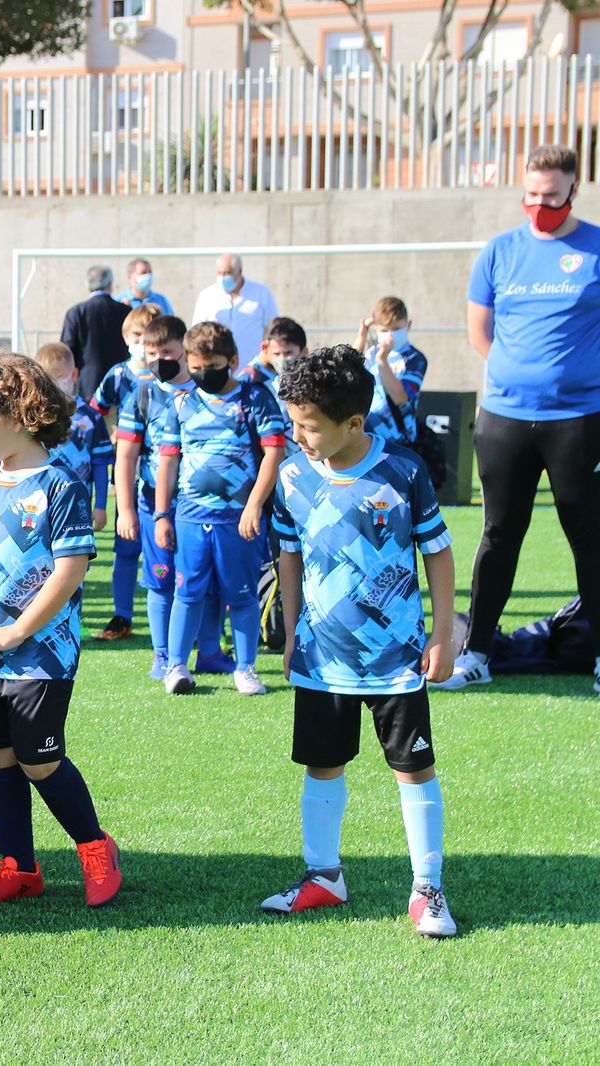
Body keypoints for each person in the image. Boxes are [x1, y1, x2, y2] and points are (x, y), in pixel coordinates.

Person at [266, 344, 458, 938]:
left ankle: (427, 889)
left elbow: (438, 552)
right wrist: (291, 631)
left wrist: (443, 634)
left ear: (353, 423)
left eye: (308, 426)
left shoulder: (403, 471)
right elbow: (289, 555)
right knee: (321, 764)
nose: (298, 436)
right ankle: (324, 876)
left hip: (397, 659)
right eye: (293, 423)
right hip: (321, 657)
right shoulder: (292, 476)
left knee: (413, 767)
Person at [0, 355, 122, 907]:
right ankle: (19, 867)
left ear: (19, 415)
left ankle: (95, 847)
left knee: (39, 759)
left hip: (41, 655)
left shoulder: (59, 486)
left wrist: (18, 631)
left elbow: (70, 570)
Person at [447, 144, 600, 695]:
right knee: (499, 534)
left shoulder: (595, 247)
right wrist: (520, 377)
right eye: (531, 194)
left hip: (580, 420)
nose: (540, 205)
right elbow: (479, 331)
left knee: (589, 538)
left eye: (551, 196)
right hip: (505, 419)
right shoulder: (499, 250)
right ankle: (477, 653)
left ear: (574, 190)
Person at [154, 321, 287, 697]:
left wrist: (254, 505)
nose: (203, 374)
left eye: (211, 367)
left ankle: (246, 668)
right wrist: (162, 515)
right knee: (187, 592)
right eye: (195, 367)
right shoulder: (181, 403)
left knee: (242, 594)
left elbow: (274, 453)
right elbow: (168, 461)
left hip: (239, 519)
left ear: (233, 360)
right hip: (191, 516)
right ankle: (176, 667)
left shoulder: (255, 398)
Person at [115, 315, 229, 682]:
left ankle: (209, 651)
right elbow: (126, 456)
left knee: (208, 580)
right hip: (153, 505)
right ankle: (162, 654)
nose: (159, 360)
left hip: (202, 506)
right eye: (151, 354)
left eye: (167, 352)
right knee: (160, 579)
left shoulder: (206, 391)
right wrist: (126, 510)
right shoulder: (142, 393)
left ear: (185, 350)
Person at [90, 303, 163, 641]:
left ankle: (177, 613)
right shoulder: (120, 374)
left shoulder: (169, 375)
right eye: (137, 336)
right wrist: (109, 439)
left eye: (149, 337)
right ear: (126, 337)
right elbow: (93, 413)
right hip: (129, 472)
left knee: (164, 546)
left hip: (164, 475)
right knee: (127, 546)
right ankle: (123, 615)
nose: (143, 343)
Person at [35, 342, 111, 534]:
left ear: (74, 375)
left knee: (76, 549)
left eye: (60, 377)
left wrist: (100, 505)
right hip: (39, 503)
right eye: (48, 379)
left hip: (77, 503)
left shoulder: (91, 417)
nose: (54, 385)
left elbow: (100, 465)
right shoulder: (34, 416)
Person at [354, 297, 427, 446]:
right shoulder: (372, 352)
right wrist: (362, 337)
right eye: (384, 330)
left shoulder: (415, 358)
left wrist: (382, 361)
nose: (390, 335)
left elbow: (400, 397)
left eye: (396, 329)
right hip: (368, 435)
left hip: (399, 438)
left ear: (408, 325)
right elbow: (348, 370)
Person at [59, 265, 132, 403]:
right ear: (110, 284)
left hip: (87, 386)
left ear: (88, 284)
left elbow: (66, 351)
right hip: (121, 385)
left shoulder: (76, 313)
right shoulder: (125, 311)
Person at [192, 253, 279, 361]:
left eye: (228, 273)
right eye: (219, 273)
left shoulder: (261, 293)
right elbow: (196, 331)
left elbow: (273, 329)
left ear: (240, 271)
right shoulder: (207, 295)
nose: (223, 277)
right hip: (217, 365)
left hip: (253, 364)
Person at [238, 316, 306, 451]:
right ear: (265, 348)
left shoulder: (296, 371)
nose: (282, 359)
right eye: (277, 353)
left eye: (288, 353)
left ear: (303, 351)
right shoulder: (250, 379)